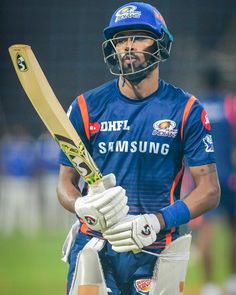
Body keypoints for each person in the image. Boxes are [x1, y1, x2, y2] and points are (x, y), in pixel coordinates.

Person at [57, 3, 221, 294]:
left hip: (155, 249)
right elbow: (65, 185)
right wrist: (80, 206)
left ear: (160, 44)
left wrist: (156, 222)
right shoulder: (85, 107)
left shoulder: (186, 110)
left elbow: (209, 190)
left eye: (138, 36)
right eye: (120, 39)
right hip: (96, 245)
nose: (128, 46)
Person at [193, 67, 236, 295]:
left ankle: (210, 286)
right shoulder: (231, 105)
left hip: (203, 179)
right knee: (233, 231)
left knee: (206, 232)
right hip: (230, 178)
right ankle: (232, 280)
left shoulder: (196, 107)